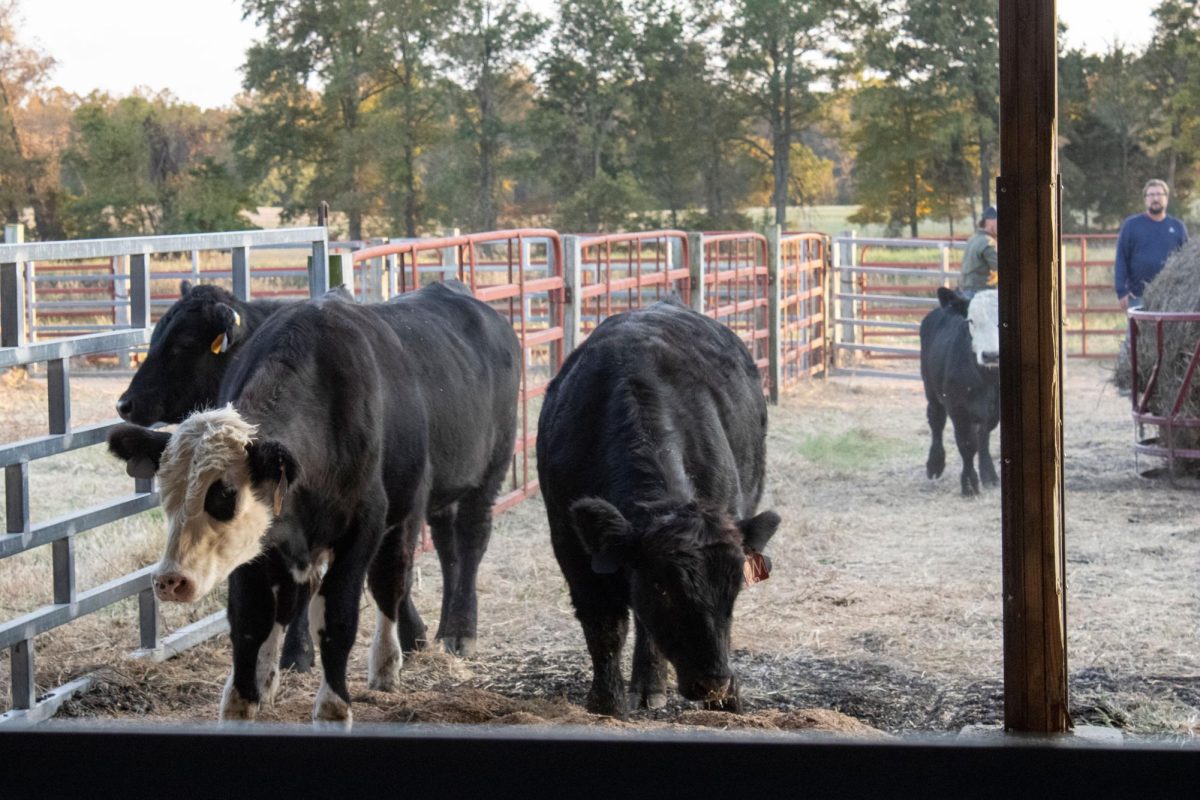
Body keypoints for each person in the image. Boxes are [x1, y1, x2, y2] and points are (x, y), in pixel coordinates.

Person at [1114, 179, 1189, 310]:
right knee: (1136, 331)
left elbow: (1186, 263)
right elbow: (1121, 259)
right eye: (1151, 195)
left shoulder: (1178, 227)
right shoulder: (1131, 225)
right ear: (1145, 199)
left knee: (1167, 331)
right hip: (1138, 297)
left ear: (1166, 198)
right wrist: (1121, 291)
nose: (1155, 198)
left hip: (1171, 299)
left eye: (1160, 194)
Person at [959, 206, 998, 296]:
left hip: (966, 290)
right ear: (989, 222)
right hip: (981, 293)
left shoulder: (973, 239)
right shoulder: (988, 243)